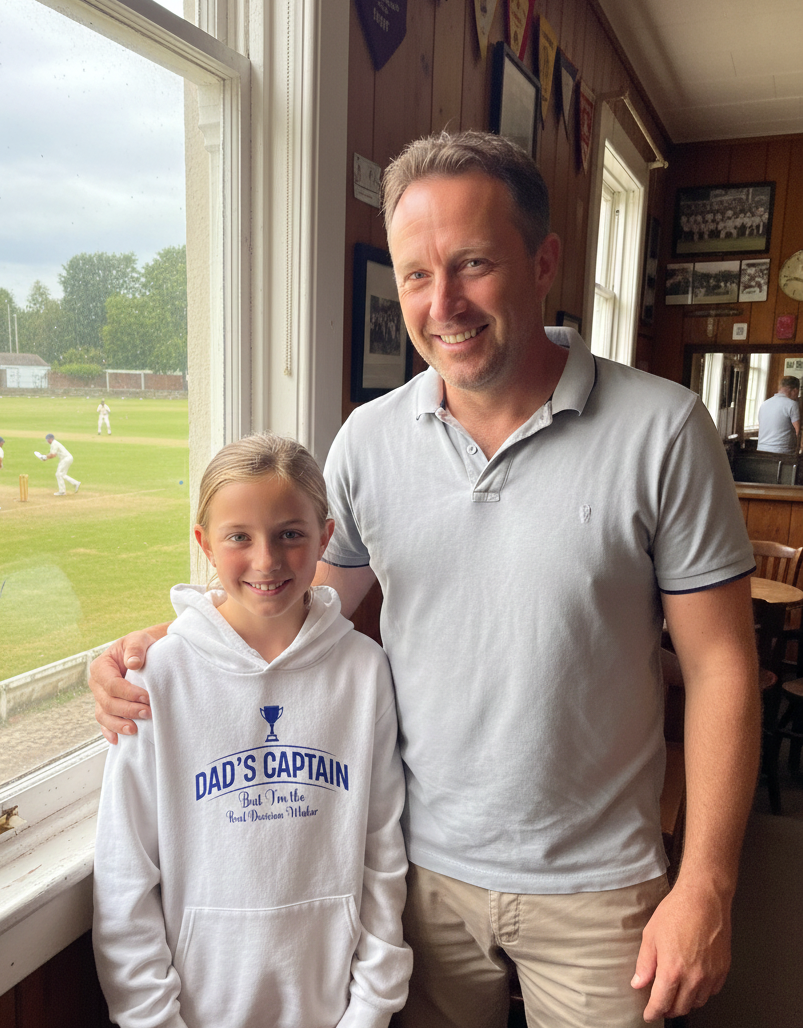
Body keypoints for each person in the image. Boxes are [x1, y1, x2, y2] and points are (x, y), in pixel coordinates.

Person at [90, 131, 761, 1028]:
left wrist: (707, 886)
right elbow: (300, 614)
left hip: (600, 888)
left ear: (543, 261)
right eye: (415, 274)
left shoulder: (666, 430)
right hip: (416, 880)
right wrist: (164, 647)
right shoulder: (367, 440)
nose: (441, 303)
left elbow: (721, 669)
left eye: (473, 264)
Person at [92, 432, 411, 1028]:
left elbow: (382, 853)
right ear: (204, 544)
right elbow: (125, 872)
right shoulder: (158, 677)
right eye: (239, 536)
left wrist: (370, 1005)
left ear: (325, 536)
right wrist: (151, 1016)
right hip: (194, 1007)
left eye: (291, 533)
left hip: (336, 1005)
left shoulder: (364, 670)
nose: (266, 559)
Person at [756, 376, 800, 453]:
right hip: (782, 451)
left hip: (761, 450)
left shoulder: (764, 404)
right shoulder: (792, 404)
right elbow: (798, 430)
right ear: (795, 391)